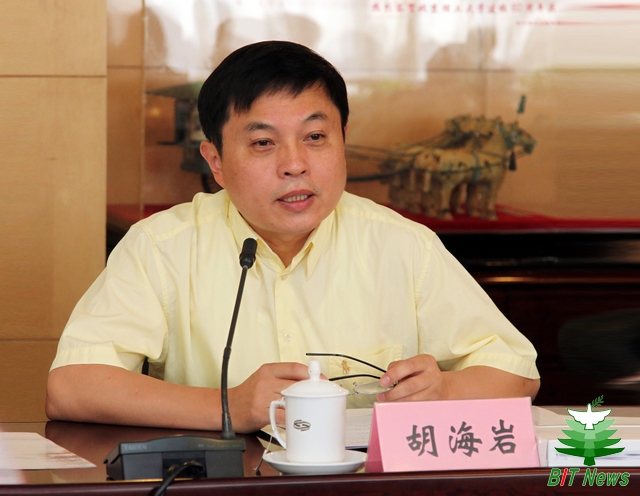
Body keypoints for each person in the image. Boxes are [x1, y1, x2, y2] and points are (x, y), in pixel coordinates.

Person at [46, 41, 540, 433]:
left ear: (343, 140)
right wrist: (228, 406)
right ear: (216, 162)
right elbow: (72, 387)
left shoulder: (403, 245)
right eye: (263, 143)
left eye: (315, 137)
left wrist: (443, 391)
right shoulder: (161, 246)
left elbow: (515, 373)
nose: (295, 164)